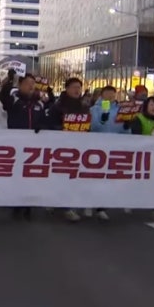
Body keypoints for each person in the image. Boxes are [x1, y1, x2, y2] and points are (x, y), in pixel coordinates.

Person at [2, 74, 46, 221]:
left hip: (33, 148)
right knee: (16, 175)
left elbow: (45, 121)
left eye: (33, 83)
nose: (31, 86)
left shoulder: (39, 104)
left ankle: (28, 205)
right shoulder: (14, 100)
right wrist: (9, 81)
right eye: (27, 83)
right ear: (20, 85)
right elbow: (4, 100)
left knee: (30, 176)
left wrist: (41, 126)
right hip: (16, 146)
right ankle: (16, 203)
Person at [48, 77, 89, 222]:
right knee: (61, 176)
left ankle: (67, 206)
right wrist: (64, 129)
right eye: (74, 87)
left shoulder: (84, 107)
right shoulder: (58, 107)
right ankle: (62, 206)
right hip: (61, 147)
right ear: (67, 89)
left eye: (79, 87)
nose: (77, 90)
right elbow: (50, 125)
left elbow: (88, 125)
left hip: (79, 147)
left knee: (74, 177)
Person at [88, 85, 129, 221]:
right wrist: (102, 119)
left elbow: (125, 132)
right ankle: (89, 203)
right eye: (108, 93)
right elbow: (93, 127)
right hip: (98, 148)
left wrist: (127, 126)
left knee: (109, 179)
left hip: (114, 149)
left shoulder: (120, 111)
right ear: (102, 95)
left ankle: (102, 207)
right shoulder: (95, 109)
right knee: (95, 178)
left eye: (113, 94)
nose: (110, 96)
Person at [126, 96, 154, 221]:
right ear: (146, 107)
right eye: (151, 105)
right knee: (137, 181)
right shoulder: (139, 118)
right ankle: (129, 202)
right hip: (140, 155)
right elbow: (136, 136)